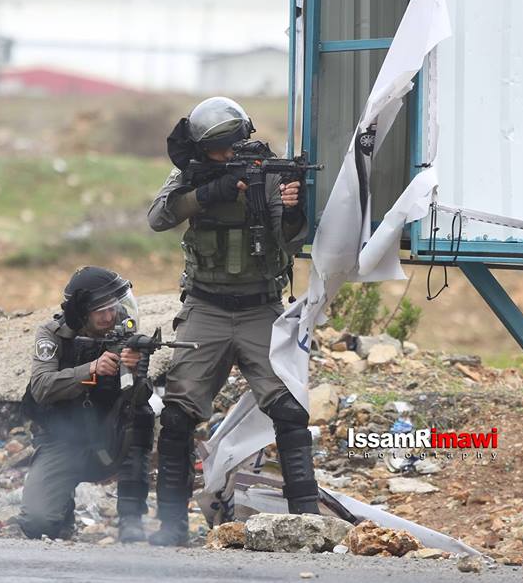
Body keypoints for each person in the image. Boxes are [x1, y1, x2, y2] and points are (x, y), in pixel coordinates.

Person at [146, 96, 314, 546]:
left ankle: (311, 519)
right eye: (221, 151)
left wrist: (292, 206)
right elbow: (159, 217)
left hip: (260, 306)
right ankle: (171, 528)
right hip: (206, 308)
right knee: (179, 416)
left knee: (289, 410)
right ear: (204, 151)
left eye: (234, 147)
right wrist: (210, 192)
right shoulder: (188, 176)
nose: (230, 157)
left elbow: (291, 236)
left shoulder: (269, 173)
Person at [18, 267, 155, 543]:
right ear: (81, 314)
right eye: (100, 311)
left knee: (143, 416)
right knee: (37, 523)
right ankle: (62, 510)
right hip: (63, 439)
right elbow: (42, 387)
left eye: (112, 308)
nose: (109, 316)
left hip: (109, 436)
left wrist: (137, 370)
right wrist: (91, 369)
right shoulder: (52, 334)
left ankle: (131, 518)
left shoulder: (122, 330)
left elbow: (138, 399)